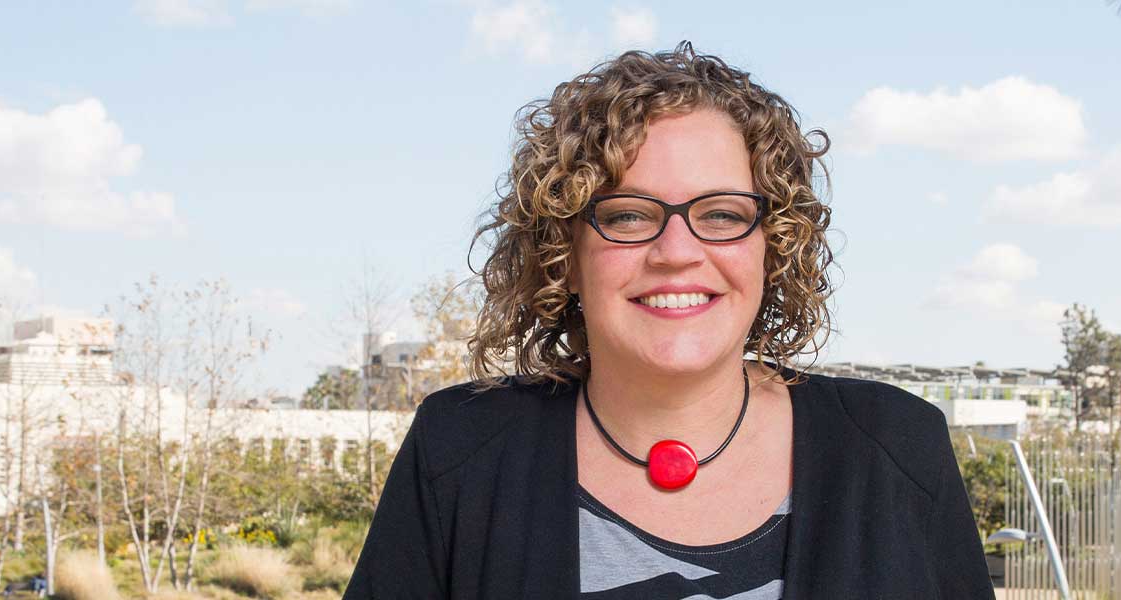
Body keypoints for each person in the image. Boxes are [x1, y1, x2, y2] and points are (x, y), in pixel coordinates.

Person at [344, 42, 993, 599]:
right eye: (627, 214)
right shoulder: (456, 453)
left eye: (721, 214)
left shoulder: (900, 450)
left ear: (775, 244)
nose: (677, 252)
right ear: (562, 253)